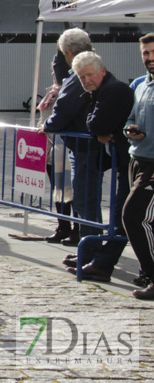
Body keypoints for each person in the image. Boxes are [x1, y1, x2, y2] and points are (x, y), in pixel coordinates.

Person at [62, 51, 134, 283]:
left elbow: (95, 124)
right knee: (124, 215)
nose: (86, 81)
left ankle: (103, 263)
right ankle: (101, 263)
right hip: (126, 162)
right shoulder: (101, 91)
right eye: (81, 78)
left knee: (126, 215)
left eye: (89, 75)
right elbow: (92, 123)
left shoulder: (113, 90)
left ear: (102, 71)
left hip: (133, 161)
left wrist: (100, 129)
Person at [38, 28, 96, 247]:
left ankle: (81, 234)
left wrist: (49, 124)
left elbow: (66, 104)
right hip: (63, 140)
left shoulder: (80, 71)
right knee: (62, 185)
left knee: (79, 193)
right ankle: (67, 227)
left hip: (75, 140)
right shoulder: (65, 64)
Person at [124, 33, 154, 300]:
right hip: (138, 157)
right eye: (146, 53)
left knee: (133, 215)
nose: (150, 58)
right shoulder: (140, 85)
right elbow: (130, 118)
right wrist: (129, 131)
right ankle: (148, 272)